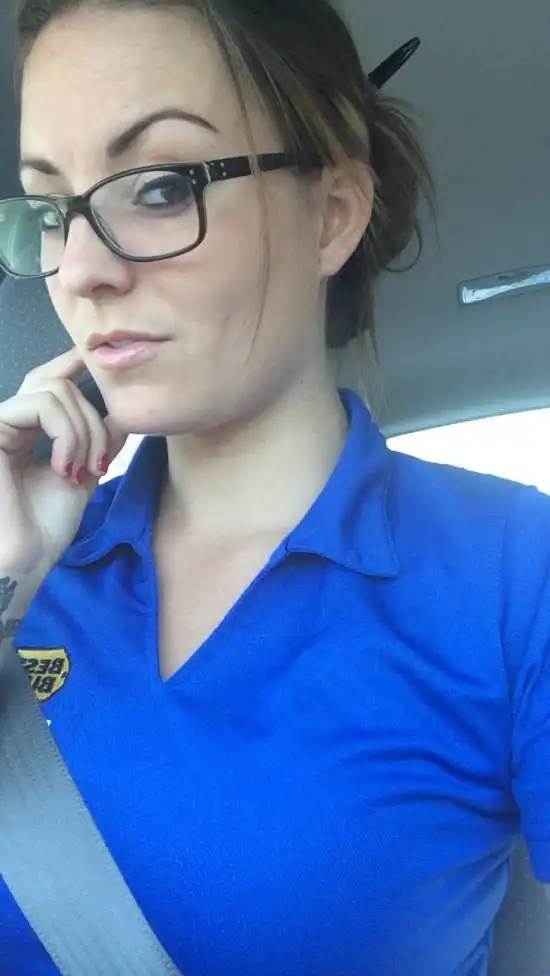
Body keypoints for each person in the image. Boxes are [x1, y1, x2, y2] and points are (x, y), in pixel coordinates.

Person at [0, 1, 549, 974]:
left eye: (160, 186)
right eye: (50, 210)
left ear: (330, 214)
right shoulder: (34, 566)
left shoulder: (515, 572)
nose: (79, 270)